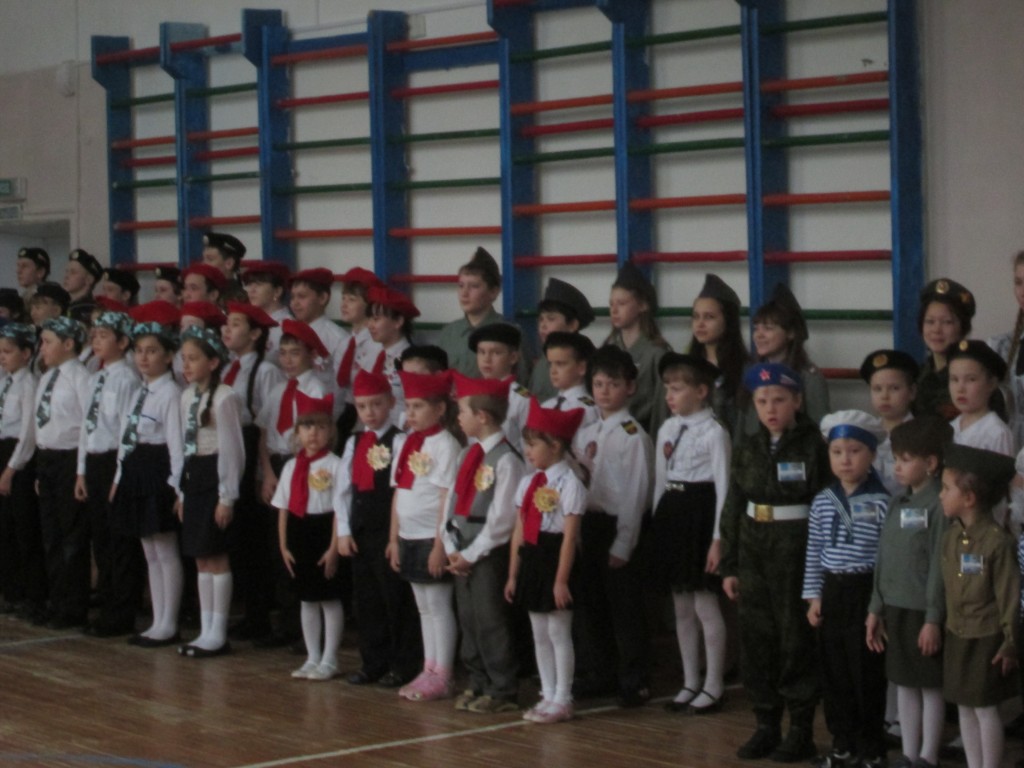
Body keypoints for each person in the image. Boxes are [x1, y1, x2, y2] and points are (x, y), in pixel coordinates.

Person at [719, 362, 831, 762]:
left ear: (797, 401)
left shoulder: (814, 447)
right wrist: (730, 563)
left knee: (794, 638)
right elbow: (734, 505)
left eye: (779, 399)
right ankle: (766, 723)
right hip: (753, 548)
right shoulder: (748, 447)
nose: (770, 408)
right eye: (762, 401)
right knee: (757, 640)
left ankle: (800, 728)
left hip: (796, 550)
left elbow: (825, 504)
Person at [803, 411, 890, 768]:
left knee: (866, 674)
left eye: (854, 451)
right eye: (837, 452)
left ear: (871, 454)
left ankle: (872, 748)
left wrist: (878, 606)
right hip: (832, 591)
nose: (845, 459)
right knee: (834, 673)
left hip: (865, 591)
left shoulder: (883, 501)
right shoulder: (823, 501)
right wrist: (813, 597)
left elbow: (886, 558)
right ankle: (843, 744)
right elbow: (814, 551)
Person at [866, 416, 953, 768]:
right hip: (895, 606)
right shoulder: (897, 502)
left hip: (922, 609)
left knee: (929, 685)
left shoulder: (939, 506)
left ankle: (928, 755)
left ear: (930, 462)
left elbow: (938, 566)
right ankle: (908, 752)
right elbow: (883, 558)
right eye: (896, 459)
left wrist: (933, 618)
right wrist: (876, 607)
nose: (897, 467)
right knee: (903, 683)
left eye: (905, 459)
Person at [571, 346, 653, 706]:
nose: (604, 391)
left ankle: (634, 679)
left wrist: (624, 542)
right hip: (589, 524)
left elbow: (636, 493)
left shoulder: (634, 435)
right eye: (599, 384)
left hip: (618, 525)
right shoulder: (585, 432)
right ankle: (599, 672)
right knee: (592, 604)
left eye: (613, 384)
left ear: (629, 387)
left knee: (626, 608)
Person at [651, 352, 730, 714]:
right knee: (681, 605)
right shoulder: (667, 429)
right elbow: (660, 479)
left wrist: (718, 538)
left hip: (701, 513)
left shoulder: (714, 432)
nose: (670, 395)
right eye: (667, 388)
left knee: (704, 603)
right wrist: (658, 523)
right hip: (673, 513)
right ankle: (689, 680)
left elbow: (724, 488)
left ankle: (714, 684)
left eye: (678, 388)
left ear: (701, 391)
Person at [443, 372, 527, 713]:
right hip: (461, 548)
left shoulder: (506, 459)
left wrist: (472, 553)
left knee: (491, 619)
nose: (458, 418)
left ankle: (502, 687)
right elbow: (451, 503)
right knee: (468, 619)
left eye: (463, 411)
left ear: (482, 416)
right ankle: (477, 680)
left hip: (486, 552)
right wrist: (451, 546)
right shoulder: (467, 455)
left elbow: (502, 519)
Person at [337, 370, 421, 688]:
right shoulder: (354, 441)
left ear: (390, 403)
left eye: (376, 404)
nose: (369, 412)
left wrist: (395, 536)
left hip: (387, 532)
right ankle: (373, 661)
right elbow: (343, 490)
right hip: (360, 531)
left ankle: (403, 664)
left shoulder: (400, 440)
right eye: (362, 406)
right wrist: (343, 531)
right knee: (367, 601)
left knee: (395, 599)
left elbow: (403, 488)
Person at [504, 398, 586, 724]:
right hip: (533, 558)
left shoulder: (570, 484)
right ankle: (547, 693)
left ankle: (563, 697)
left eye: (533, 444)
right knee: (538, 631)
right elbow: (519, 531)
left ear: (555, 445)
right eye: (526, 444)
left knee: (558, 631)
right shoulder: (528, 482)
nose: (528, 451)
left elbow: (569, 537)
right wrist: (513, 574)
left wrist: (561, 580)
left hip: (556, 558)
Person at [938, 444, 1019, 768]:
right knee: (964, 707)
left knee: (985, 709)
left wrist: (1010, 642)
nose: (941, 495)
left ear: (969, 498)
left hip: (987, 637)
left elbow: (1009, 596)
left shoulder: (997, 542)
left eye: (947, 489)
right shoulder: (951, 538)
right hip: (958, 633)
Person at [388, 369, 461, 701]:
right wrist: (394, 538)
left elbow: (447, 498)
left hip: (431, 538)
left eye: (418, 406)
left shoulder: (446, 445)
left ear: (440, 408)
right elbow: (399, 492)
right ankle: (429, 668)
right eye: (408, 406)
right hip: (408, 535)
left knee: (438, 605)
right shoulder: (407, 442)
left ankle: (443, 673)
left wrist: (439, 545)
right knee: (423, 607)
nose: (411, 413)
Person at [114, 302, 185, 648]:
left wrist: (177, 487)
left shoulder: (170, 394)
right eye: (139, 350)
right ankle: (157, 619)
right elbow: (125, 438)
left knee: (165, 548)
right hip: (136, 469)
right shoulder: (139, 390)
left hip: (159, 472)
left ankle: (169, 622)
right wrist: (118, 477)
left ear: (169, 356)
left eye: (152, 351)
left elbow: (176, 444)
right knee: (149, 551)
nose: (143, 357)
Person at [255, 319, 329, 647]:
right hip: (279, 465)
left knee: (304, 543)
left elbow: (321, 435)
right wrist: (267, 473)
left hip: (306, 465)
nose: (287, 359)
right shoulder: (277, 389)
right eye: (283, 353)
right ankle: (286, 623)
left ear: (310, 355)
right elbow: (263, 433)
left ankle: (309, 627)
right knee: (279, 546)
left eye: (295, 353)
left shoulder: (316, 389)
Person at [176, 326, 244, 658]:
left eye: (193, 358)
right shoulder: (186, 396)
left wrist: (226, 496)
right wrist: (181, 492)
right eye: (184, 359)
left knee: (216, 555)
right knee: (200, 557)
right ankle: (205, 630)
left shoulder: (225, 397)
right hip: (194, 476)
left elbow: (233, 449)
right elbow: (183, 445)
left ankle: (218, 632)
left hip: (215, 476)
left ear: (213, 362)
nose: (186, 365)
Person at [220, 302, 284, 642]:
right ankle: (247, 612)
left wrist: (263, 472)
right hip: (230, 451)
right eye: (226, 324)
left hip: (251, 453)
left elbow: (266, 425)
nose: (227, 330)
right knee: (238, 540)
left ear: (256, 333)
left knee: (255, 540)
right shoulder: (227, 368)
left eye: (235, 324)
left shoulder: (265, 371)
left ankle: (261, 614)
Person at [75, 309, 142, 637]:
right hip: (95, 461)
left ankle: (122, 611)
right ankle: (106, 603)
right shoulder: (95, 377)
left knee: (119, 541)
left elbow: (128, 430)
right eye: (94, 335)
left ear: (123, 342)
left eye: (104, 336)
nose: (96, 341)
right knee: (101, 538)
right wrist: (81, 470)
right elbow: (86, 427)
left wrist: (119, 474)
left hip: (116, 461)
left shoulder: (127, 379)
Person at [273, 391, 345, 681]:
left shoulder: (336, 465)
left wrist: (333, 548)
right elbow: (282, 507)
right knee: (306, 599)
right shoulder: (291, 466)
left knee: (329, 597)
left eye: (320, 426)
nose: (313, 433)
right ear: (297, 432)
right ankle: (312, 655)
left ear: (330, 431)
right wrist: (283, 545)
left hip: (324, 531)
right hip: (299, 532)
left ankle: (330, 657)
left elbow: (340, 509)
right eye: (306, 426)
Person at [32, 316, 91, 628]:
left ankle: (73, 606)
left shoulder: (80, 377)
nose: (42, 348)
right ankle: (56, 600)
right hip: (48, 458)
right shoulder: (47, 377)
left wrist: (81, 470)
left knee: (71, 536)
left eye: (48, 342)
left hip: (69, 459)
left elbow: (86, 427)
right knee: (51, 535)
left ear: (68, 344)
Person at [736, 283, 830, 443]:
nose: (759, 335)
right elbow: (742, 427)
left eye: (768, 328)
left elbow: (820, 429)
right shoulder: (751, 372)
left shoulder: (809, 377)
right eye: (756, 328)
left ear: (791, 333)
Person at [0, 323, 46, 623]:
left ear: (26, 353)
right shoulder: (5, 381)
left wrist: (10, 469)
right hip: (2, 450)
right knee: (5, 529)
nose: (2, 357)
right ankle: (12, 590)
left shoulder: (29, 383)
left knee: (25, 529)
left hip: (19, 459)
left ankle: (34, 595)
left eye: (8, 351)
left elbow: (28, 432)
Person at [604, 261, 670, 436]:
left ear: (642, 305)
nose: (614, 310)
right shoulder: (607, 350)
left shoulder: (657, 354)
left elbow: (661, 411)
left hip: (643, 434)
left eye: (622, 303)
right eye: (611, 304)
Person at [688, 273, 750, 434]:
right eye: (696, 317)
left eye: (709, 317)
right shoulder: (686, 367)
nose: (700, 324)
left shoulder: (745, 370)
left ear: (728, 321)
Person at [436, 247, 510, 378]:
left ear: (494, 292)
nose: (464, 293)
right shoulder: (448, 333)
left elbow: (522, 383)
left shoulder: (509, 332)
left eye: (474, 286)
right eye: (461, 286)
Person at [289, 268, 349, 421]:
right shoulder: (290, 333)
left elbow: (340, 388)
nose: (295, 303)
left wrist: (330, 420)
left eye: (302, 296)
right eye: (292, 297)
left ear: (322, 298)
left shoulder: (337, 338)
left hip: (322, 416)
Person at [860, 350, 919, 495]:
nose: (884, 396)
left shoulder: (921, 433)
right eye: (877, 389)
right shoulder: (865, 431)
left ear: (912, 391)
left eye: (894, 388)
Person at [915, 278, 974, 420]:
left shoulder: (975, 376)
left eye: (947, 322)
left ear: (962, 328)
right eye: (930, 321)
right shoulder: (916, 376)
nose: (936, 330)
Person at [530, 278, 595, 404]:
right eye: (541, 319)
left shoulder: (589, 360)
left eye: (551, 319)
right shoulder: (541, 362)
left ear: (572, 325)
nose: (543, 325)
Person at [469, 322, 530, 453]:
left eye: (496, 353)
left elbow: (528, 443)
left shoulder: (521, 397)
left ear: (513, 357)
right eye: (481, 352)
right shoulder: (471, 393)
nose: (486, 359)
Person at [947, 340, 1013, 455]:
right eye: (954, 379)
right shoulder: (950, 428)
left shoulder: (997, 432)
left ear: (991, 383)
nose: (960, 388)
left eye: (971, 379)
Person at [366, 283, 417, 426]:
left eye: (376, 319)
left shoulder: (411, 361)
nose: (370, 325)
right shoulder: (376, 356)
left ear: (398, 321)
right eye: (369, 319)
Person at [541, 332, 599, 429]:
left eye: (560, 364)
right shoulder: (546, 406)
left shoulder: (588, 409)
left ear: (582, 367)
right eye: (550, 364)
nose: (553, 371)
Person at [241, 261, 290, 365]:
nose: (251, 290)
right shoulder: (248, 321)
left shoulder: (287, 326)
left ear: (277, 291)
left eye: (259, 284)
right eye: (249, 285)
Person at [201, 232, 247, 302]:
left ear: (229, 263)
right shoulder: (202, 292)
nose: (203, 264)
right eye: (203, 259)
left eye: (210, 259)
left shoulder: (238, 298)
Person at [64, 248, 103, 324]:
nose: (66, 276)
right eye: (66, 271)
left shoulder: (90, 310)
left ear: (89, 279)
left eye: (73, 272)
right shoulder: (66, 306)